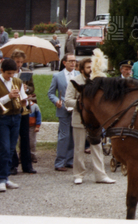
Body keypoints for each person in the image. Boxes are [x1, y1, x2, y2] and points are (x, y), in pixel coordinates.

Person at [65, 57, 116, 185]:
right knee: (79, 148)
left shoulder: (97, 81)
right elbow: (67, 100)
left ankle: (100, 175)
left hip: (95, 122)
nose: (90, 69)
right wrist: (83, 104)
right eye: (88, 67)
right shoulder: (74, 81)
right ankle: (78, 174)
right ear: (81, 69)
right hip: (79, 119)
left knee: (97, 147)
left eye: (92, 67)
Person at [0, 58, 28, 193]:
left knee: (11, 149)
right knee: (4, 148)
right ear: (2, 71)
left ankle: (6, 178)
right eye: (8, 73)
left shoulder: (17, 81)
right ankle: (0, 179)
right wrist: (9, 97)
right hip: (2, 117)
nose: (11, 76)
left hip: (16, 117)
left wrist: (24, 100)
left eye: (13, 73)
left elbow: (23, 99)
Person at [48, 53, 78, 171]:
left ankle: (70, 160)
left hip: (75, 109)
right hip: (63, 108)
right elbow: (51, 93)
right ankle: (59, 162)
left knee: (73, 135)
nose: (73, 63)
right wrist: (56, 101)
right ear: (64, 62)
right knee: (64, 136)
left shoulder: (78, 75)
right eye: (70, 61)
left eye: (74, 61)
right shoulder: (57, 76)